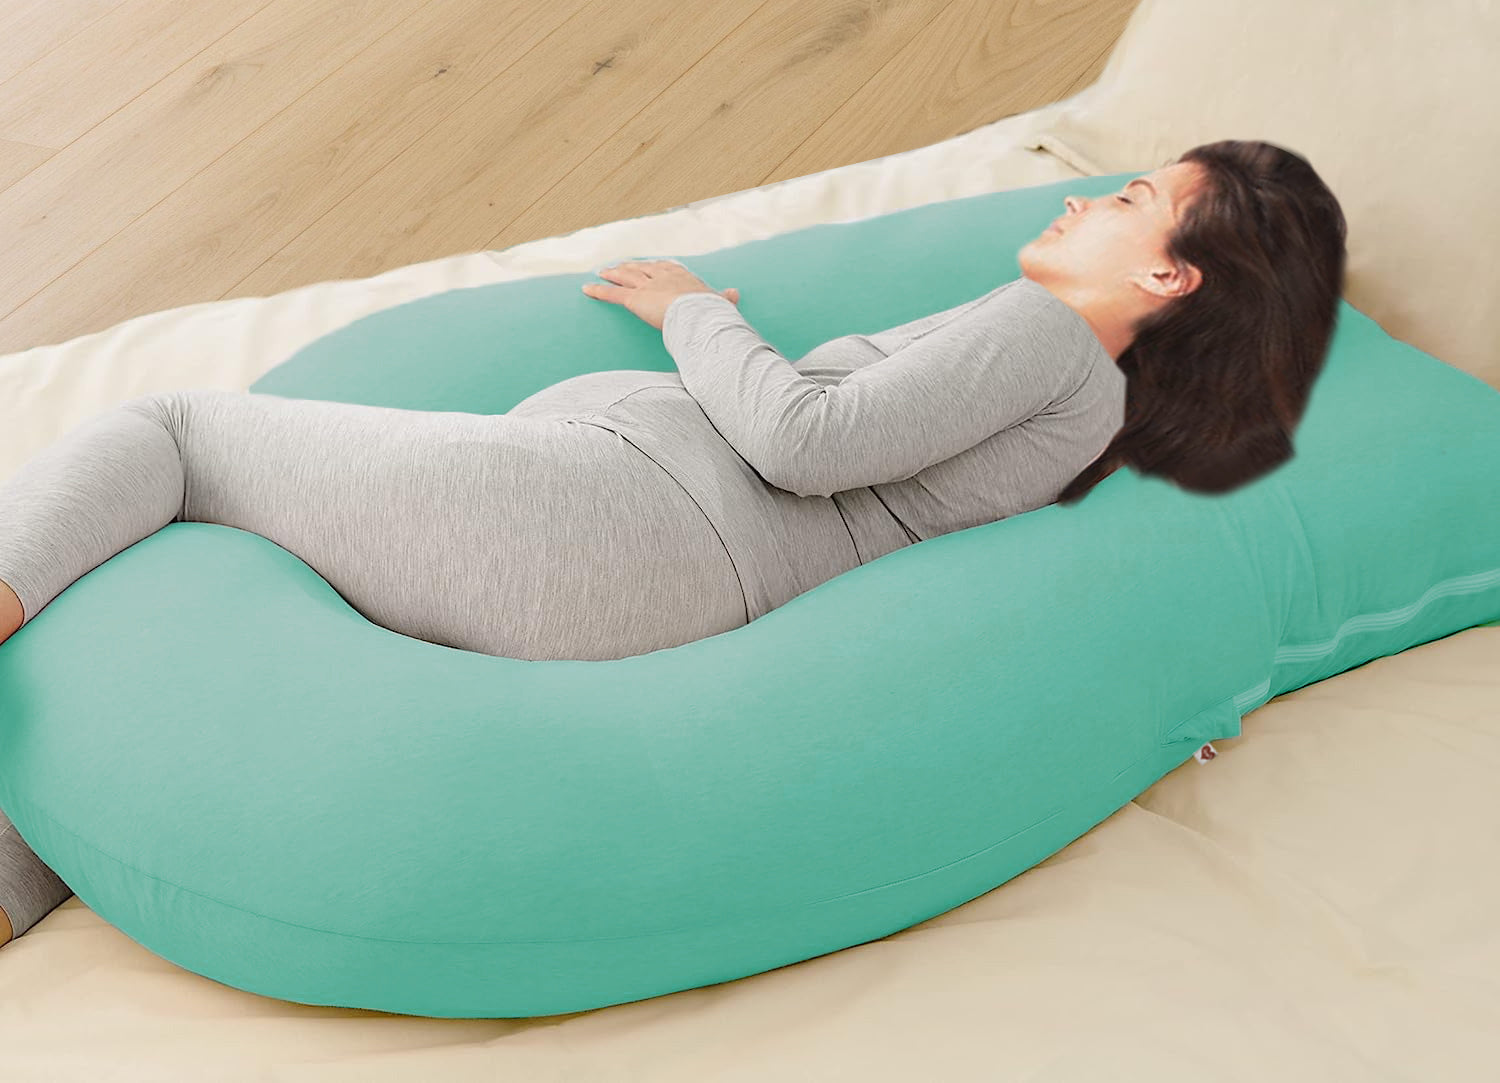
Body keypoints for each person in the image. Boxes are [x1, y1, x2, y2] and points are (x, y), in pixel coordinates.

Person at [0, 137, 1345, 947]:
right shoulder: (1081, 409)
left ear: (1166, 275)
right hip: (637, 553)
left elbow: (804, 442)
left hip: (619, 524)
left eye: (1130, 199)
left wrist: (695, 311)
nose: (1087, 202)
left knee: (175, 436)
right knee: (170, 639)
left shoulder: (1047, 334)